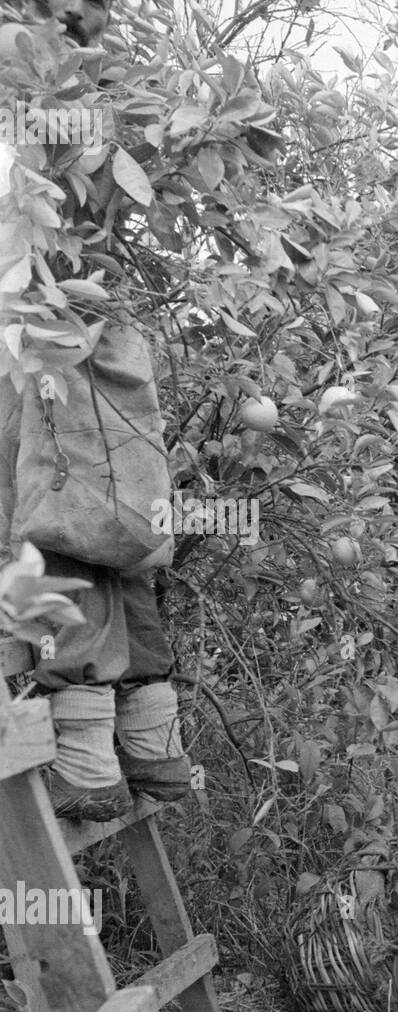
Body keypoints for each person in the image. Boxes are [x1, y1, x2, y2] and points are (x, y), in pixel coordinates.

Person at [0, 0, 190, 818]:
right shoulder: (97, 121)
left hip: (38, 339)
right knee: (109, 525)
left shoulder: (35, 121)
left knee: (55, 524)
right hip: (92, 336)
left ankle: (86, 760)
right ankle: (152, 748)